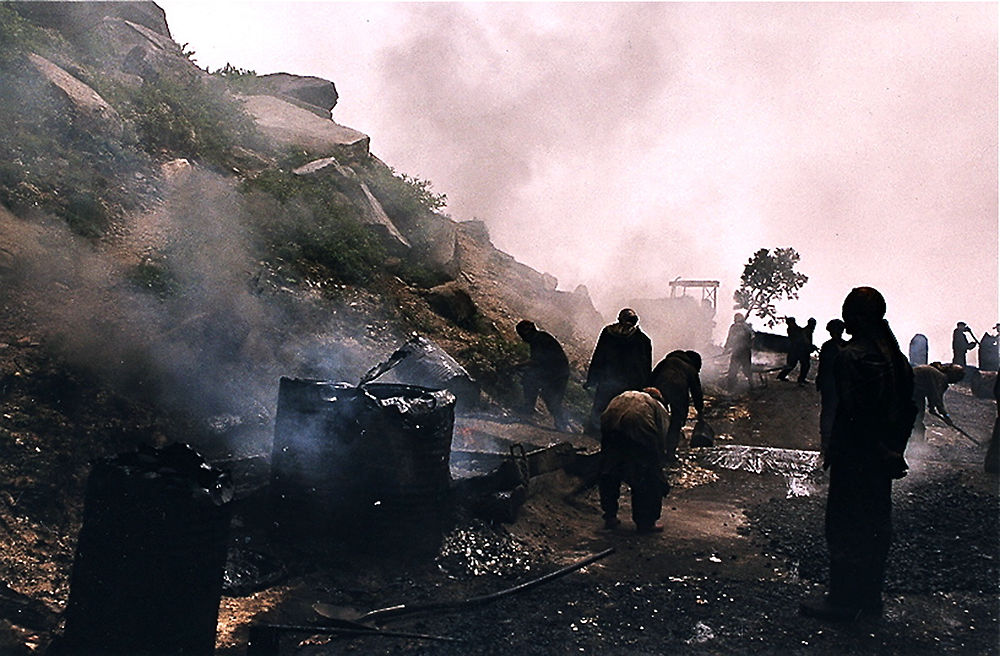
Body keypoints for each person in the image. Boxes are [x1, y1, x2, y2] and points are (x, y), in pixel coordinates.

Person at [800, 287, 917, 622]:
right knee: (876, 525)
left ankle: (843, 601)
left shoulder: (851, 357)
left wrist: (855, 447)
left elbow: (852, 414)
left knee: (844, 525)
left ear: (856, 317)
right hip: (882, 461)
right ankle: (869, 598)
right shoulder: (896, 359)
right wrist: (894, 451)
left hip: (855, 457)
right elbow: (908, 411)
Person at [598, 387, 671, 534]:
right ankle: (646, 522)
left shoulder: (625, 395)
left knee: (610, 470)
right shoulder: (657, 405)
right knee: (647, 477)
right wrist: (658, 460)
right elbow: (662, 436)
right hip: (638, 426)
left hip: (610, 422)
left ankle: (610, 517)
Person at [584, 308, 652, 431]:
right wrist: (645, 385)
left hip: (610, 381)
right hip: (628, 383)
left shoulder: (609, 333)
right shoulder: (642, 339)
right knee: (626, 412)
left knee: (602, 409)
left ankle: (596, 432)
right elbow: (645, 366)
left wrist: (592, 380)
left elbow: (598, 357)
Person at [515, 320, 571, 431]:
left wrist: (516, 366)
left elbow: (536, 361)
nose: (522, 339)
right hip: (556, 371)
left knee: (550, 397)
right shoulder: (540, 337)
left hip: (557, 373)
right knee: (531, 380)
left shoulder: (538, 340)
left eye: (522, 335)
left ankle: (561, 423)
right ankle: (560, 422)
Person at [649, 350, 704, 461]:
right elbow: (696, 392)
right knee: (676, 422)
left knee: (656, 418)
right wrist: (700, 410)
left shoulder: (666, 361)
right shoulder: (690, 369)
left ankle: (655, 449)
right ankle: (670, 453)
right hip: (679, 391)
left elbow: (651, 377)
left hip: (659, 389)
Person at [815, 319, 846, 458]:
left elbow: (823, 367)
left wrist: (820, 381)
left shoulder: (828, 346)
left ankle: (827, 445)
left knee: (828, 414)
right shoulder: (846, 346)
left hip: (832, 385)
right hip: (838, 385)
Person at [911, 362, 965, 441]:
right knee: (917, 421)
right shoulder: (941, 378)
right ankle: (915, 442)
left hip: (912, 391)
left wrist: (932, 408)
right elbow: (937, 400)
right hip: (911, 392)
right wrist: (946, 416)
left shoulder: (935, 373)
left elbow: (931, 392)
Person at [777, 317, 816, 385]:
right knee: (800, 365)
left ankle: (799, 379)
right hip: (798, 351)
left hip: (798, 350)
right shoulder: (797, 330)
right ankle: (800, 379)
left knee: (796, 365)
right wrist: (809, 347)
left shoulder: (800, 330)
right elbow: (801, 340)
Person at [724, 312, 754, 391]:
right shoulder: (747, 327)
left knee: (733, 370)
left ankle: (730, 388)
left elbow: (730, 339)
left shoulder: (734, 327)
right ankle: (752, 385)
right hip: (745, 351)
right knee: (747, 369)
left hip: (738, 352)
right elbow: (752, 338)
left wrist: (726, 348)